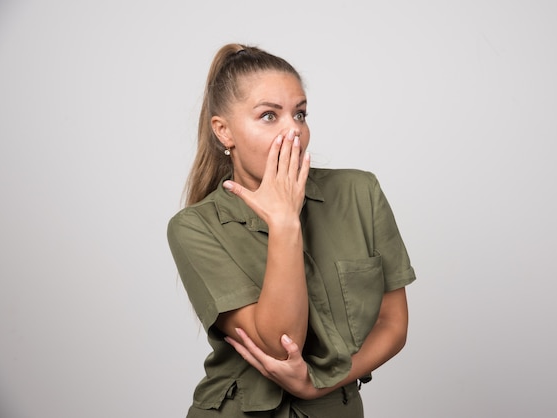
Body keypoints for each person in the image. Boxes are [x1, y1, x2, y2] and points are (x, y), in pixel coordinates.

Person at [167, 43, 416, 418]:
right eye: (269, 116)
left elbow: (393, 323)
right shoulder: (194, 227)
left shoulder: (360, 193)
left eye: (300, 115)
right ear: (224, 132)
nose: (294, 131)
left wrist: (320, 385)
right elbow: (280, 347)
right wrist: (285, 222)